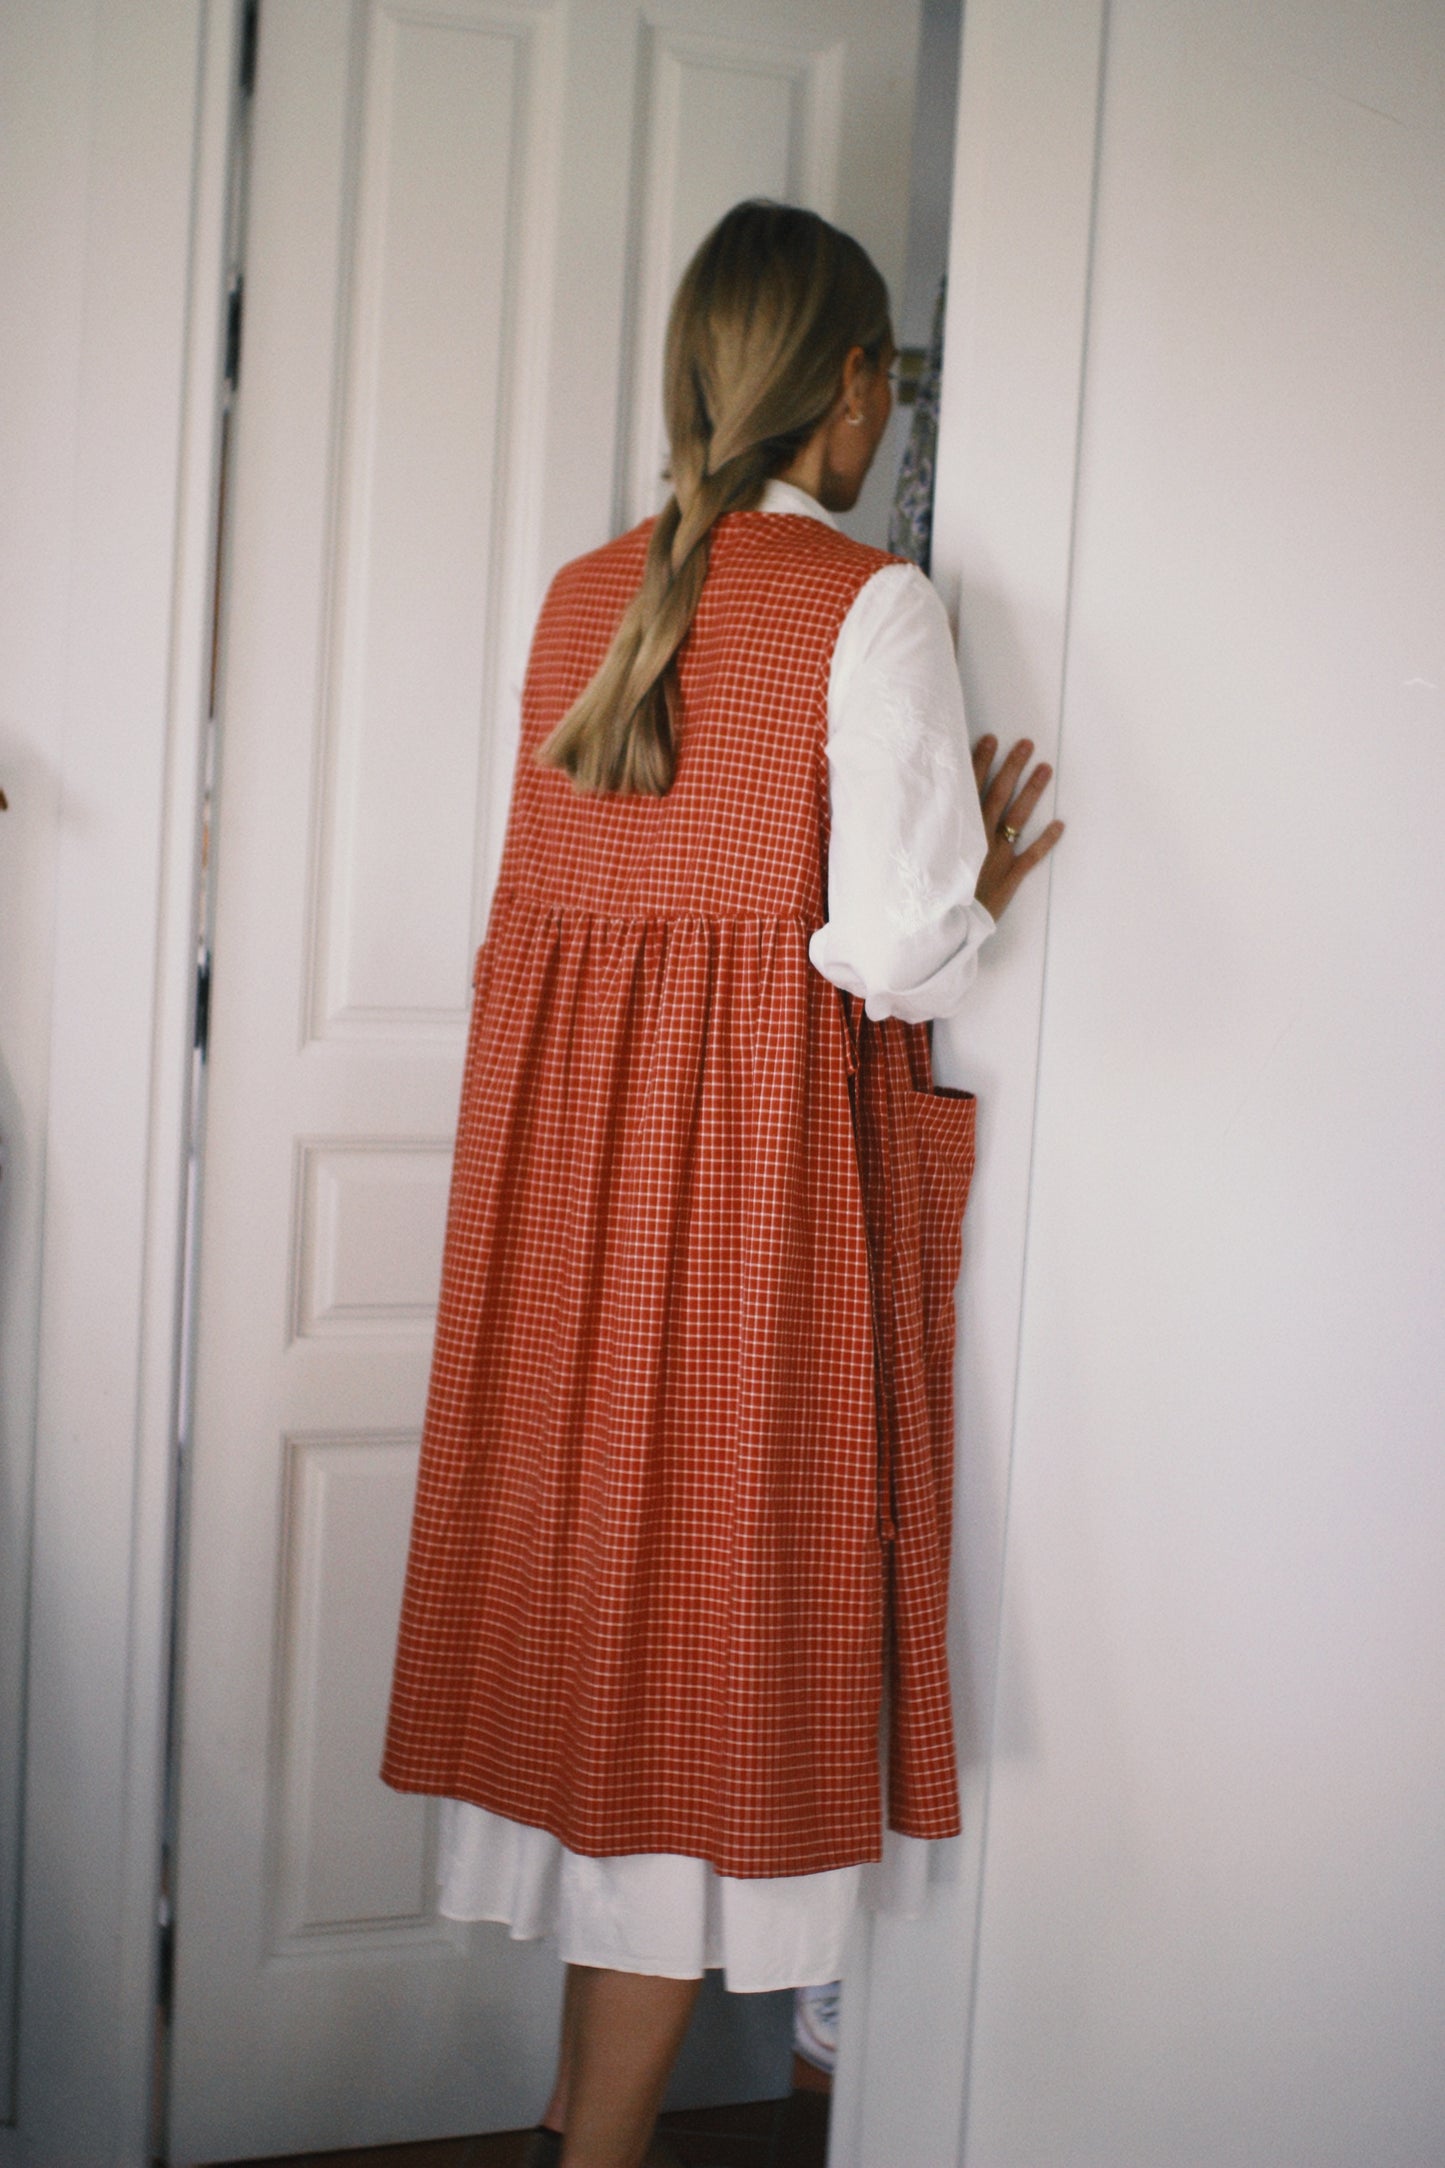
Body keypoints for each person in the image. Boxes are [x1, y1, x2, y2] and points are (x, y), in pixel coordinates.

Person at [380, 199, 1063, 2168]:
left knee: (607, 1657)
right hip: (739, 1193)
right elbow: (895, 954)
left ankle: (573, 2123)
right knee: (695, 1669)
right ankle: (595, 2151)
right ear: (850, 385)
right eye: (888, 380)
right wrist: (969, 882)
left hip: (569, 1202)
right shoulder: (869, 601)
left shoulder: (580, 597)